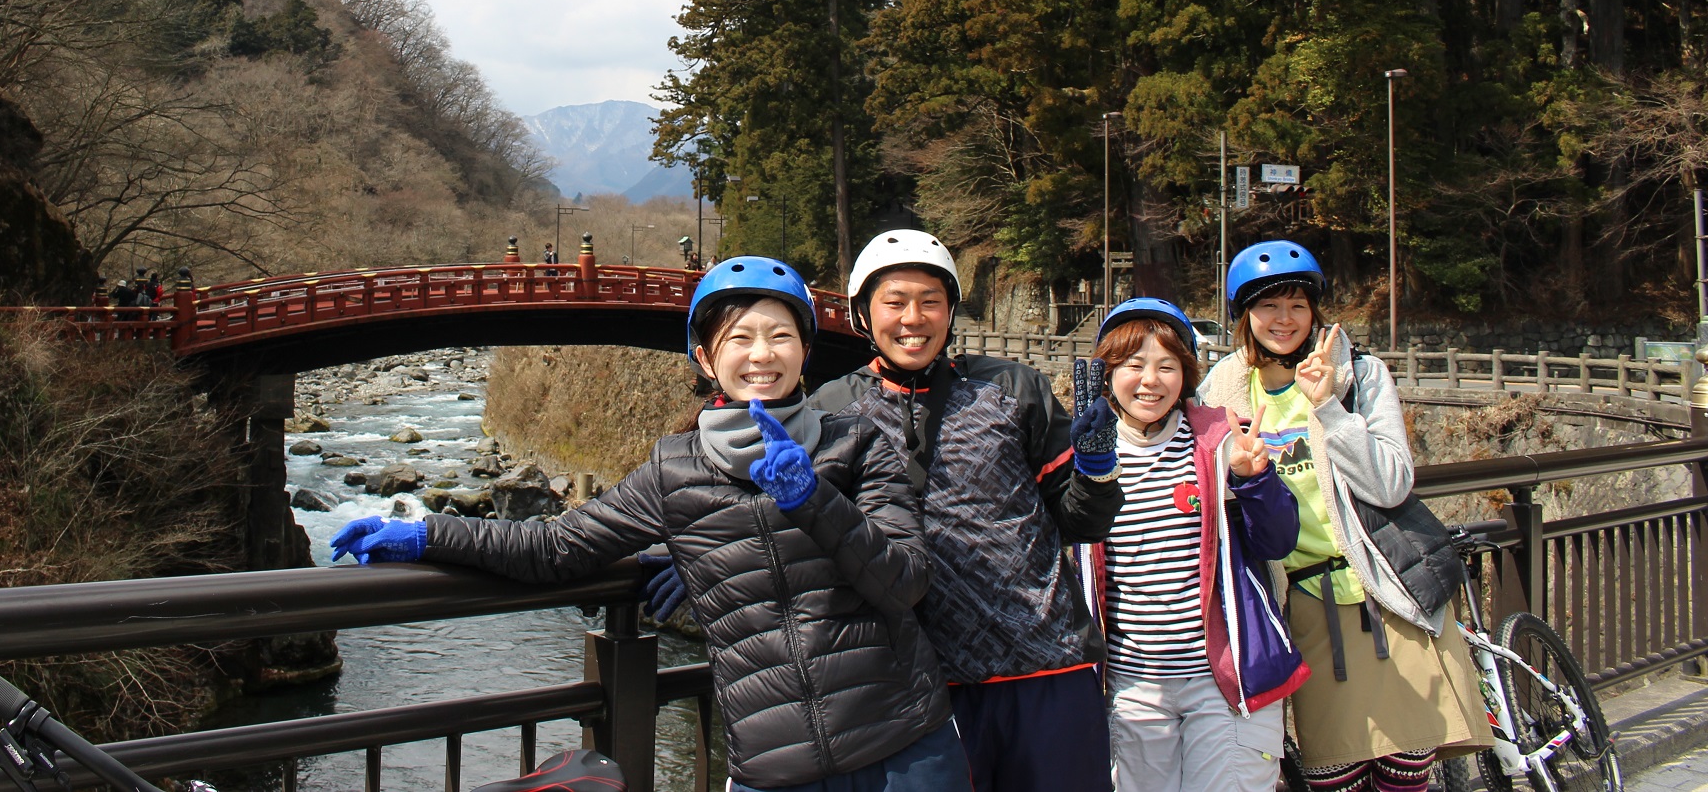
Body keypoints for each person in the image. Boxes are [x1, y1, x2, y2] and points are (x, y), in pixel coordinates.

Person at [330, 256, 967, 792]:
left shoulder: (857, 444)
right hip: (778, 763)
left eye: (780, 336)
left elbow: (905, 582)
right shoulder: (675, 470)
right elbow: (556, 547)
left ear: (806, 349)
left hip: (905, 745)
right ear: (702, 355)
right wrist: (427, 533)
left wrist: (812, 498)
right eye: (738, 338)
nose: (762, 355)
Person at [809, 230, 1124, 792]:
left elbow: (1080, 522)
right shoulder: (831, 411)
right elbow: (792, 522)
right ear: (862, 313)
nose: (914, 318)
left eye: (931, 301)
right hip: (919, 685)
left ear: (951, 311)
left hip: (1046, 662)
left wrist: (1097, 471)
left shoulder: (1013, 388)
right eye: (895, 301)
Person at [1200, 241, 1490, 792]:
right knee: (1335, 774)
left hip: (1385, 590)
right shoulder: (1222, 391)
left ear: (1315, 313)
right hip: (1305, 605)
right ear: (1245, 315)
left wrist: (1329, 407)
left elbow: (1390, 482)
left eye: (1297, 305)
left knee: (1404, 773)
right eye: (1268, 306)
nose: (1283, 320)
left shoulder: (1361, 375)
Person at [1078, 297, 1306, 792]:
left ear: (1186, 374)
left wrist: (1254, 478)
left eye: (1167, 366)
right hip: (1131, 687)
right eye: (1133, 365)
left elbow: (1279, 540)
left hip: (1223, 680)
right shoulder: (1087, 451)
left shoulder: (1219, 440)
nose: (1150, 381)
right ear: (1107, 373)